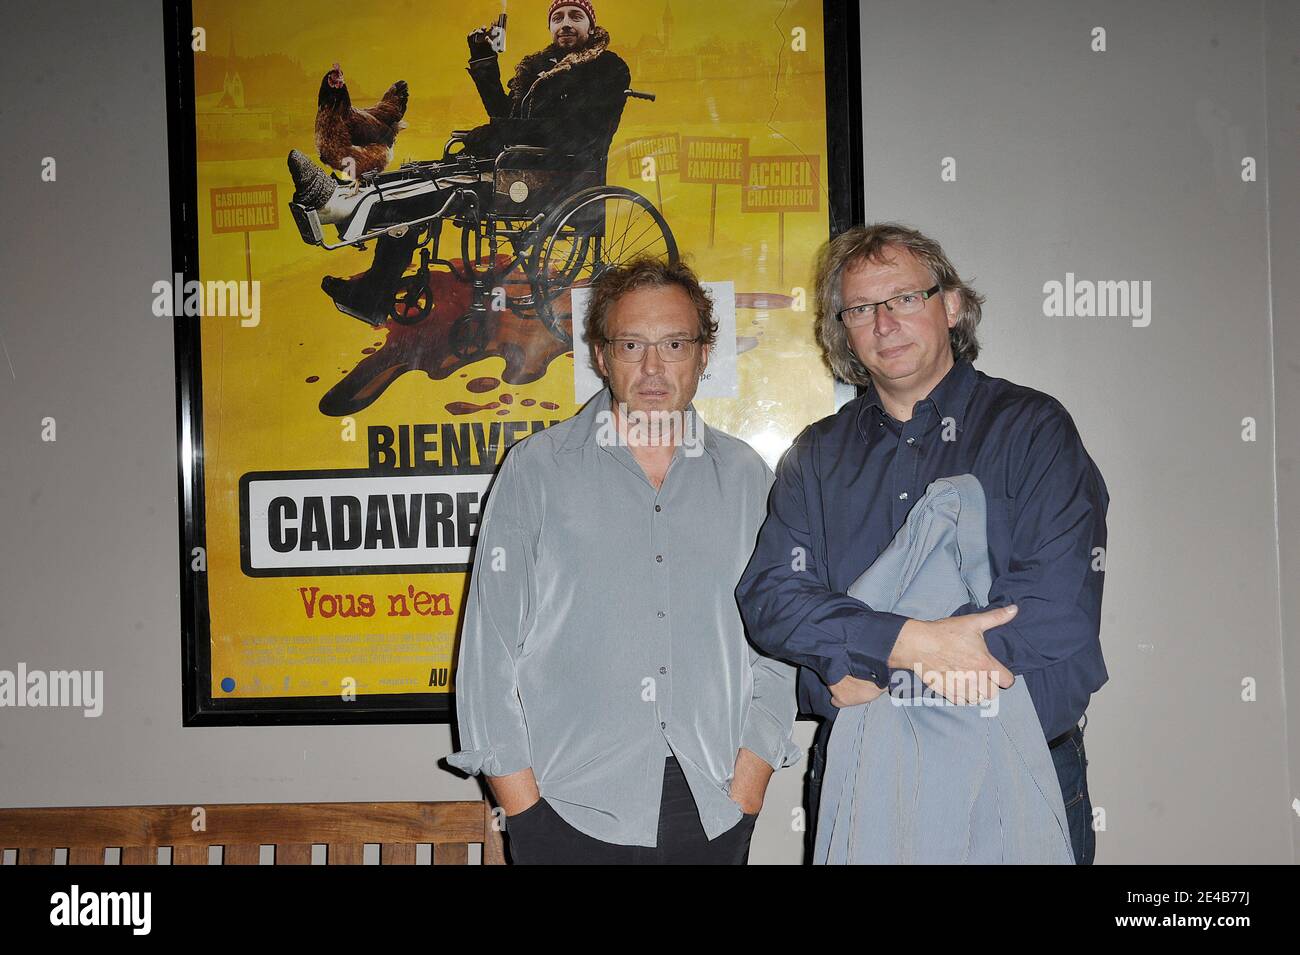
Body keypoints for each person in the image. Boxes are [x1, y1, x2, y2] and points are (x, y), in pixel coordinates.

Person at [735, 223, 1108, 864]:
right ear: (842, 330)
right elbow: (772, 597)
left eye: (905, 298)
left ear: (952, 304)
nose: (884, 323)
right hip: (865, 778)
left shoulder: (1033, 428)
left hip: (1014, 769)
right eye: (860, 309)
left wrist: (875, 658)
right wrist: (911, 642)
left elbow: (1056, 605)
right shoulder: (815, 455)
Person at [448, 256, 801, 864]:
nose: (654, 367)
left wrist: (751, 781)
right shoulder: (537, 470)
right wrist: (524, 808)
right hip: (564, 809)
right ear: (601, 355)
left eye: (674, 344)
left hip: (713, 803)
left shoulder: (748, 478)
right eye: (632, 344)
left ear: (704, 354)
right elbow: (487, 655)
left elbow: (776, 645)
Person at [301, 1, 631, 325]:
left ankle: (366, 271)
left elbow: (571, 134)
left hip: (558, 175)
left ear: (590, 24)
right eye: (558, 17)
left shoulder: (608, 69)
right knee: (423, 176)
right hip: (516, 165)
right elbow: (503, 117)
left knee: (427, 193)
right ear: (550, 26)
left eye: (576, 16)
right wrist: (484, 59)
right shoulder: (537, 68)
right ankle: (344, 200)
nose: (566, 23)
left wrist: (507, 132)